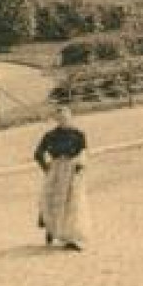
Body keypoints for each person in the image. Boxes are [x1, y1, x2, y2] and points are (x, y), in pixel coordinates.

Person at [34, 104, 90, 250]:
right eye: (60, 118)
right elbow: (38, 153)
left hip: (72, 170)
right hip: (57, 170)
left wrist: (80, 164)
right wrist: (47, 168)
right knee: (52, 200)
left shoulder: (78, 134)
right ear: (56, 120)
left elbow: (83, 151)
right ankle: (51, 229)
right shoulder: (50, 136)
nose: (63, 120)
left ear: (71, 117)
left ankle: (72, 237)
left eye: (66, 117)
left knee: (73, 202)